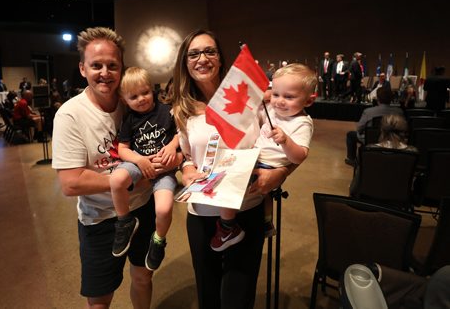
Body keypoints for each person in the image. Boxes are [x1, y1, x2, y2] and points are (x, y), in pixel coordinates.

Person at [52, 27, 181, 309]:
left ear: (122, 69)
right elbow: (71, 183)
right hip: (100, 219)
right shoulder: (70, 115)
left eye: (112, 65)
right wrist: (137, 181)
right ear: (82, 68)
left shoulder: (134, 104)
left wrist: (175, 157)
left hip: (144, 208)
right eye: (96, 65)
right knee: (100, 299)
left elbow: (172, 138)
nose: (105, 73)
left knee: (143, 278)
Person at [167, 29, 296, 309]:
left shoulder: (251, 98)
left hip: (246, 209)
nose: (202, 58)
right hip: (202, 214)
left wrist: (280, 174)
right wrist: (185, 169)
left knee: (238, 298)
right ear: (185, 63)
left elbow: (289, 144)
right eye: (194, 53)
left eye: (210, 51)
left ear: (221, 58)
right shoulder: (182, 108)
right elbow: (185, 154)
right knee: (209, 298)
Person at [109, 66, 179, 272]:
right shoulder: (129, 119)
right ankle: (124, 222)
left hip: (164, 171)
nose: (141, 99)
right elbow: (122, 148)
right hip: (138, 164)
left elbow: (180, 134)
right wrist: (140, 161)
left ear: (153, 90)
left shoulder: (166, 111)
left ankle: (158, 240)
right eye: (134, 96)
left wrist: (172, 146)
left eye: (145, 93)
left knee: (164, 208)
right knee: (116, 180)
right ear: (124, 100)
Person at [254, 63, 316, 238]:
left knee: (261, 192)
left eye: (289, 97)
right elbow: (262, 99)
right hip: (254, 157)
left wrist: (286, 141)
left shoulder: (302, 123)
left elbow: (299, 157)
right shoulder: (273, 110)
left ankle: (266, 222)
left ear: (309, 100)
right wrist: (267, 96)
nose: (279, 101)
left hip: (271, 165)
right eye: (276, 94)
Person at [349, 114, 417, 195]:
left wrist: (351, 190)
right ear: (404, 131)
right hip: (398, 203)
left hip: (368, 200)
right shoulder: (413, 152)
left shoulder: (367, 151)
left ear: (382, 130)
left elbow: (357, 182)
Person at [345, 87, 404, 166]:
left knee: (350, 135)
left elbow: (359, 129)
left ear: (378, 99)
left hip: (371, 140)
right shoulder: (399, 112)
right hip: (393, 141)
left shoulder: (368, 112)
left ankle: (352, 159)